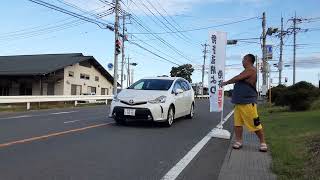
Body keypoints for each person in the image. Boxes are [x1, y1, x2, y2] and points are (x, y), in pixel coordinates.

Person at [222, 54, 267, 152]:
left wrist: (225, 83)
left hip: (248, 102)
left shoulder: (252, 70)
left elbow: (238, 78)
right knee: (237, 124)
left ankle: (263, 142)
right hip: (239, 103)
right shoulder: (247, 70)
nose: (242, 62)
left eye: (243, 60)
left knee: (255, 124)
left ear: (248, 60)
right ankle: (239, 141)